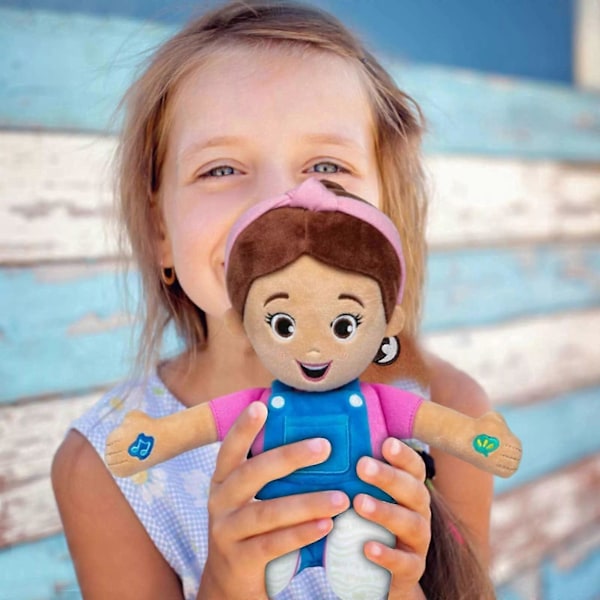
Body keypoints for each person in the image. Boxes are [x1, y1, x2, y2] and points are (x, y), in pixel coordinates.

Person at [52, 2, 497, 599]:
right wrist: (225, 585)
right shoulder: (109, 468)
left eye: (326, 165)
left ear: (385, 219)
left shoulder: (446, 412)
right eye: (221, 169)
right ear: (161, 231)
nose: (279, 207)